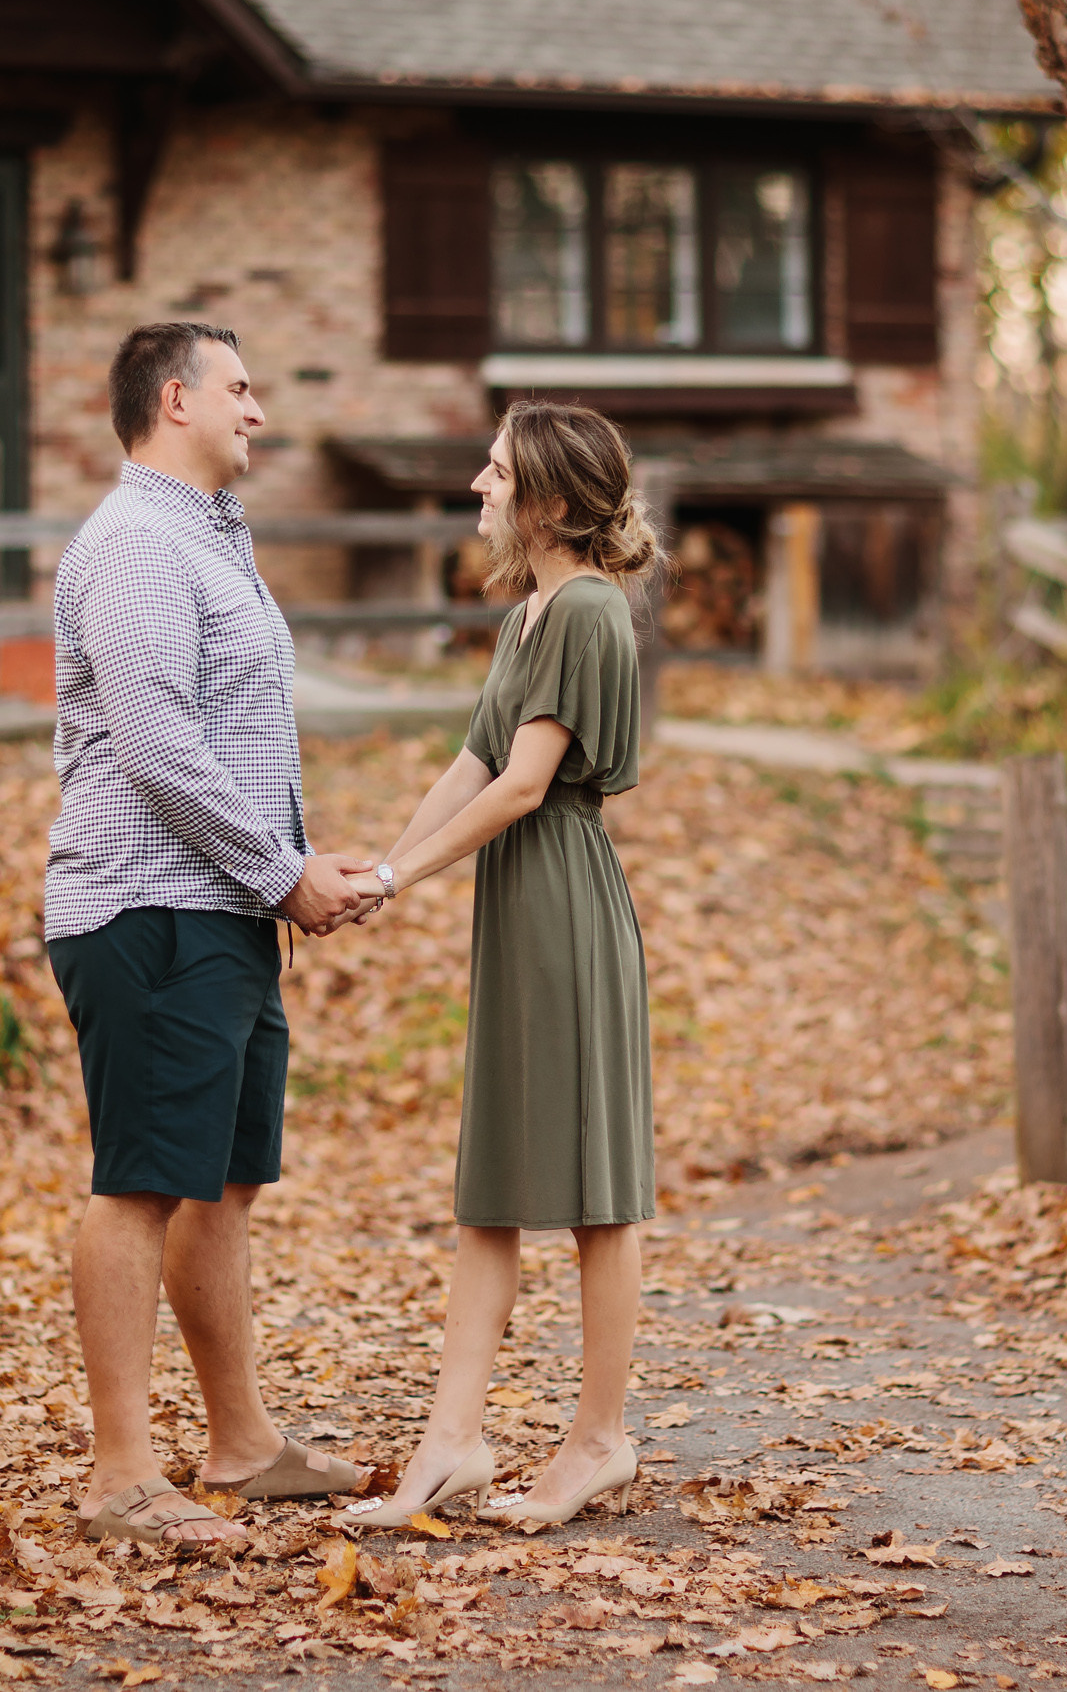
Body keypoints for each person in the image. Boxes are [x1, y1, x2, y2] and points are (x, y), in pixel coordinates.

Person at [44, 321, 375, 1547]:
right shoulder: (134, 544)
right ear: (175, 398)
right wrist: (285, 875)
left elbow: (219, 741)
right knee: (140, 1185)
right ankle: (121, 1476)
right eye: (242, 388)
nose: (261, 411)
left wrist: (286, 870)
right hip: (150, 910)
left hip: (222, 911)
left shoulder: (202, 540)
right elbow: (156, 747)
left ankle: (240, 1448)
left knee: (221, 1187)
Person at [337, 401, 661, 1531]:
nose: (477, 487)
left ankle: (598, 1442)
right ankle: (452, 1442)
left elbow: (525, 787)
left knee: (593, 1195)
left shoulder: (583, 611)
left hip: (564, 906)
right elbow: (470, 762)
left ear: (554, 503)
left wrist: (400, 881)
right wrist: (378, 872)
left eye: (494, 472)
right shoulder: (525, 617)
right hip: (517, 911)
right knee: (492, 1192)